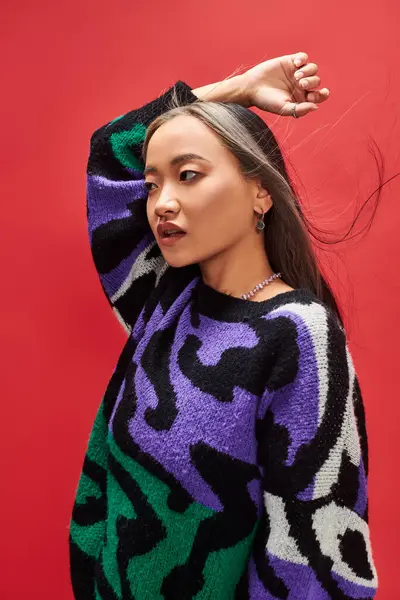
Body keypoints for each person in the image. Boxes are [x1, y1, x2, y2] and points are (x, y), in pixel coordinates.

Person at [69, 52, 378, 599]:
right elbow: (110, 153)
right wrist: (238, 89)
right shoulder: (163, 298)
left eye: (188, 175)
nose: (162, 203)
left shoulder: (299, 334)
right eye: (152, 185)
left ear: (261, 191)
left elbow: (312, 556)